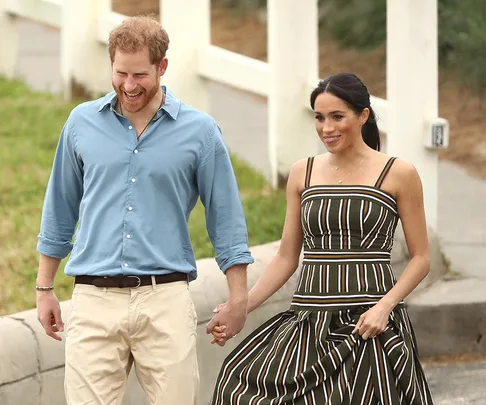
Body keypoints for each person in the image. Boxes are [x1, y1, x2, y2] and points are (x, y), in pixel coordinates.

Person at [35, 15, 253, 405]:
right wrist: (44, 288)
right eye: (121, 74)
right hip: (93, 297)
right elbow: (59, 209)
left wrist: (239, 299)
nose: (129, 86)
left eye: (140, 75)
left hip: (164, 298)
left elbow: (227, 219)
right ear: (111, 65)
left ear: (162, 66)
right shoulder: (81, 123)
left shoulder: (200, 131)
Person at [209, 73, 434, 404]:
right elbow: (287, 257)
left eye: (337, 117)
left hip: (367, 324)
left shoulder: (399, 173)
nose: (326, 128)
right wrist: (240, 306)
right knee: (236, 382)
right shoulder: (304, 172)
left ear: (363, 115)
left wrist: (384, 307)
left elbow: (421, 257)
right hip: (309, 324)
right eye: (319, 117)